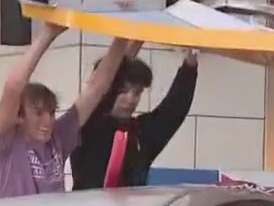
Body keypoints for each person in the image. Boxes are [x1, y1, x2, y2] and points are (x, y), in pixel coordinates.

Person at [0, 24, 130, 199]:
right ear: (19, 116)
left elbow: (97, 88)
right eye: (38, 113)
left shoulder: (57, 137)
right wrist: (48, 32)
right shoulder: (6, 141)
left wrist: (123, 33)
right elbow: (13, 87)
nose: (48, 121)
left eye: (52, 113)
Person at [69, 45, 198, 190]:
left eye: (137, 93)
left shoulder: (139, 133)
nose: (131, 99)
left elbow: (174, 109)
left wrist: (191, 60)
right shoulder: (87, 126)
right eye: (123, 91)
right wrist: (133, 37)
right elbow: (101, 86)